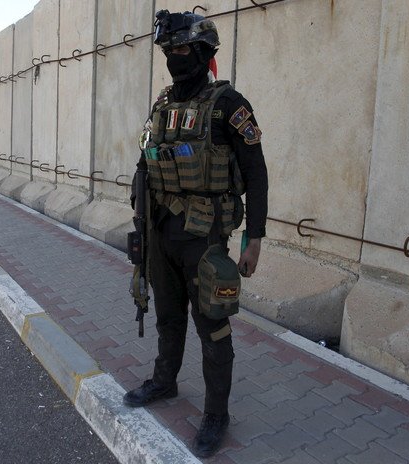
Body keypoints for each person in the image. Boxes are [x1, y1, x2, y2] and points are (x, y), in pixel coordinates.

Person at [124, 10, 268, 458]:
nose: (174, 58)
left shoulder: (229, 104)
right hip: (160, 232)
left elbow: (256, 173)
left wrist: (253, 239)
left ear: (204, 52)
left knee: (212, 327)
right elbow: (146, 163)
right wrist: (140, 226)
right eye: (169, 51)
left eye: (182, 49)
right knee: (167, 315)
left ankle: (216, 414)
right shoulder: (162, 106)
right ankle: (165, 381)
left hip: (203, 237)